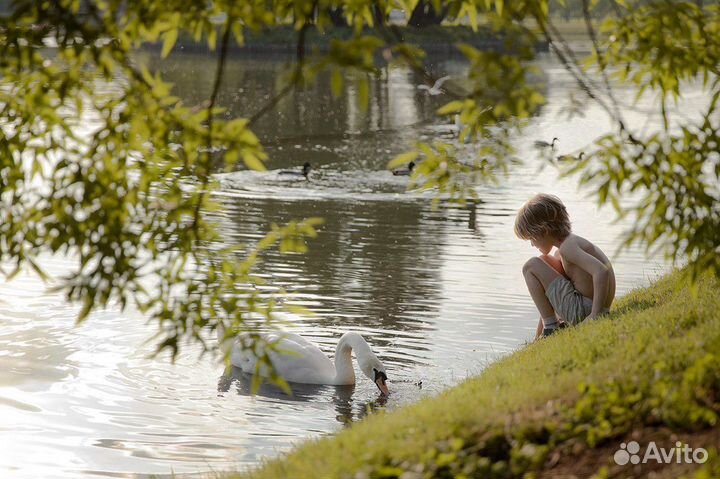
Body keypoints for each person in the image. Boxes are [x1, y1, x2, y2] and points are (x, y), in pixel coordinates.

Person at [514, 194, 616, 339]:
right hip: (591, 306)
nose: (532, 244)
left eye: (531, 238)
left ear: (543, 231)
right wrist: (538, 336)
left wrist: (596, 314)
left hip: (586, 310)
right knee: (545, 260)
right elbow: (549, 299)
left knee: (530, 267)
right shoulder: (569, 245)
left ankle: (552, 328)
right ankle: (548, 328)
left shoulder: (568, 248)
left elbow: (601, 271)